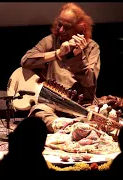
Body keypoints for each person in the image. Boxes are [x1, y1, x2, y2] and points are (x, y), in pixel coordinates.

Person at [20, 3, 101, 133]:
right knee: (39, 112)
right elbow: (26, 61)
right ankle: (62, 126)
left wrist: (79, 57)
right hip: (51, 103)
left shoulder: (92, 47)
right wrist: (57, 53)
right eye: (59, 24)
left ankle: (73, 127)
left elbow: (89, 82)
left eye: (67, 27)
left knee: (92, 119)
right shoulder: (51, 40)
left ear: (80, 28)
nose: (61, 30)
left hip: (81, 105)